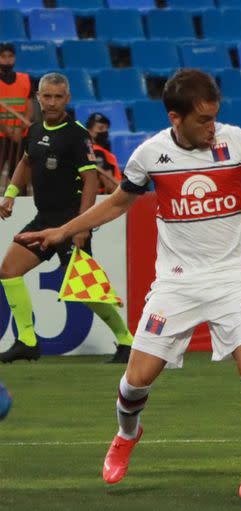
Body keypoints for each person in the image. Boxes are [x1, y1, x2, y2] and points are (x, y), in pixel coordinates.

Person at [16, 68, 241, 498]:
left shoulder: (239, 142)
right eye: (203, 120)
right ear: (176, 118)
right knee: (133, 385)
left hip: (232, 281)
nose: (213, 127)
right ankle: (127, 435)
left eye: (215, 117)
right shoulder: (150, 155)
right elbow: (117, 202)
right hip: (175, 285)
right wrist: (60, 231)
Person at [0, 72, 133, 365]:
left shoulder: (76, 134)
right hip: (42, 220)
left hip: (71, 223)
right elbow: (25, 162)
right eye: (46, 96)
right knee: (8, 270)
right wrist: (10, 194)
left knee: (86, 290)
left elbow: (89, 181)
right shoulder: (33, 131)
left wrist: (82, 225)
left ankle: (126, 340)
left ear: (67, 99)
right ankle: (27, 340)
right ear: (38, 98)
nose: (52, 102)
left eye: (58, 97)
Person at [0, 42, 34, 177]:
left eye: (10, 56)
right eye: (3, 56)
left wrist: (19, 128)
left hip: (20, 135)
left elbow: (30, 107)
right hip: (2, 135)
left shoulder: (24, 79)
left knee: (19, 178)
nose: (7, 59)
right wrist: (7, 130)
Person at [86, 112, 121, 194]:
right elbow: (109, 185)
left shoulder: (90, 150)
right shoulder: (97, 152)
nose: (105, 131)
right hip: (109, 197)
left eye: (106, 128)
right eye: (100, 128)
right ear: (89, 131)